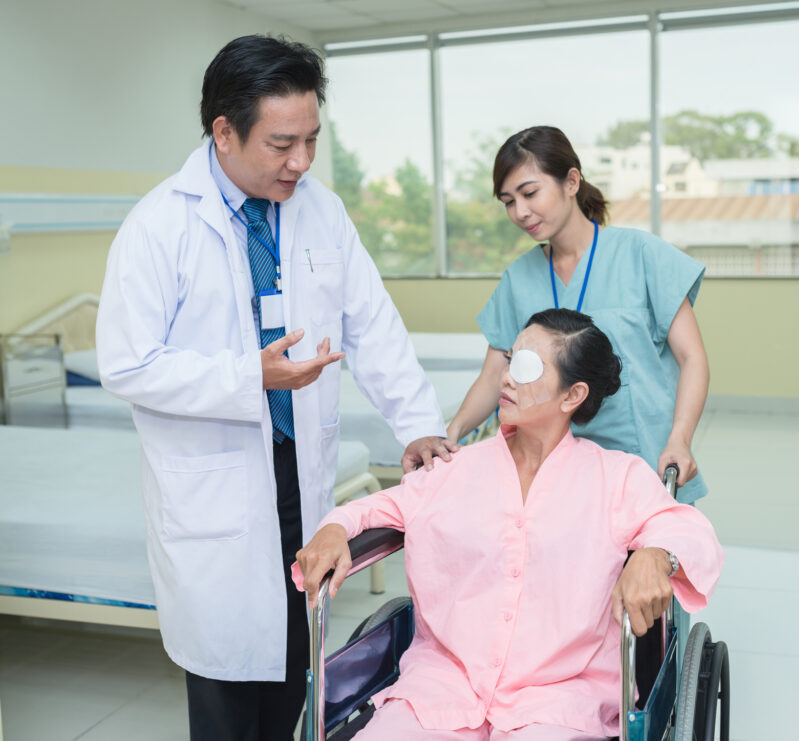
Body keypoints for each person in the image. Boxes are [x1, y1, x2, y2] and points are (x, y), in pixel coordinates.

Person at [95, 35, 455, 740]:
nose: (301, 161)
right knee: (228, 692)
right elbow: (127, 363)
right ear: (224, 133)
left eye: (312, 140)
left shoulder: (320, 210)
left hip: (302, 475)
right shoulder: (160, 225)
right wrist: (245, 376)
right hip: (216, 491)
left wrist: (417, 422)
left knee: (298, 663)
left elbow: (372, 323)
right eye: (281, 143)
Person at [296, 309, 724, 740]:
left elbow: (690, 533)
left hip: (558, 702)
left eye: (526, 367)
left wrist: (654, 555)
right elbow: (370, 510)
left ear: (572, 395)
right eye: (509, 360)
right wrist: (335, 527)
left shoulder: (616, 478)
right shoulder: (452, 469)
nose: (506, 378)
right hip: (441, 692)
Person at [446, 125, 710, 505]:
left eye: (530, 193)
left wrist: (679, 440)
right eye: (507, 201)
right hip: (554, 478)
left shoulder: (641, 254)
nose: (520, 212)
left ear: (571, 181)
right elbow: (493, 375)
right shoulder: (518, 279)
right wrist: (452, 434)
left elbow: (693, 358)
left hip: (646, 463)